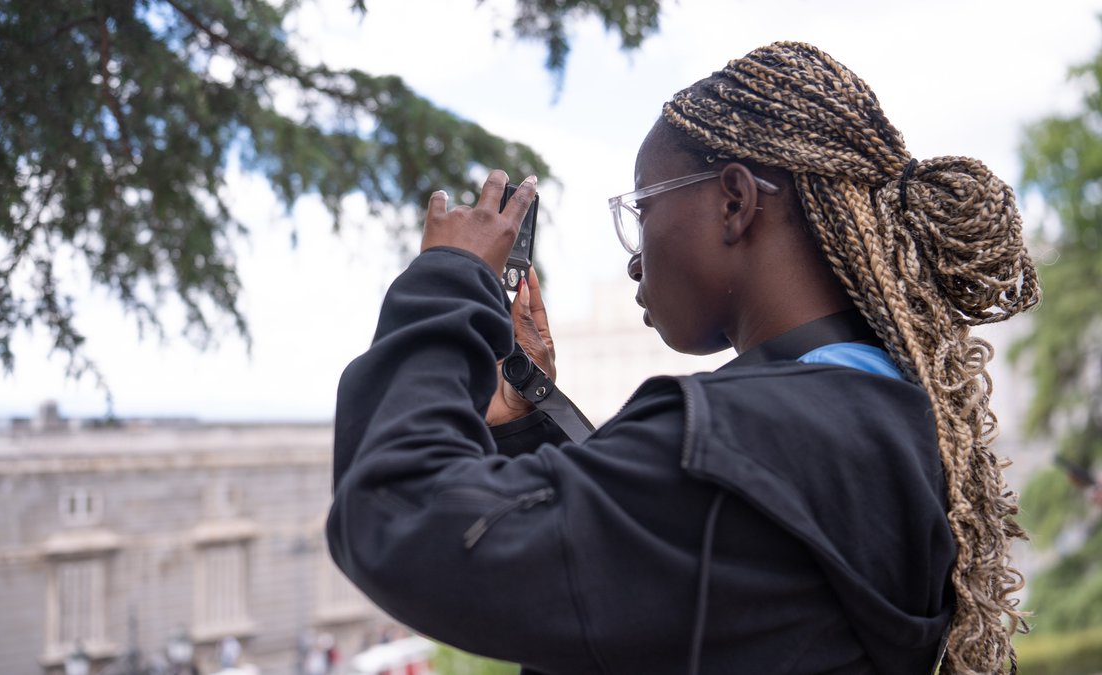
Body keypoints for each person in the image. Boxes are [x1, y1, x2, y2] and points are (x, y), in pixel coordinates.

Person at [326, 41, 1039, 675]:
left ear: (734, 201)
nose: (636, 261)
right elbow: (675, 561)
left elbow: (397, 515)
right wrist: (529, 417)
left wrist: (451, 279)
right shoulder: (892, 417)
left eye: (643, 209)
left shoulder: (745, 442)